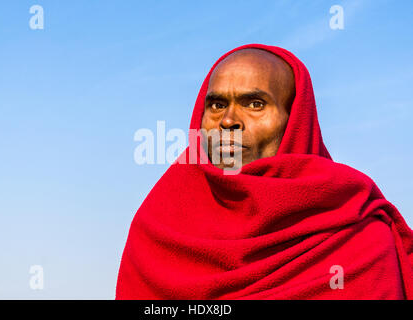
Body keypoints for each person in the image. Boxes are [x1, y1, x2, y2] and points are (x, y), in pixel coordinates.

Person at [116, 44, 413, 299]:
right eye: (217, 104)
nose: (229, 120)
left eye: (255, 104)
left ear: (295, 119)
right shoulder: (158, 227)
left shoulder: (354, 231)